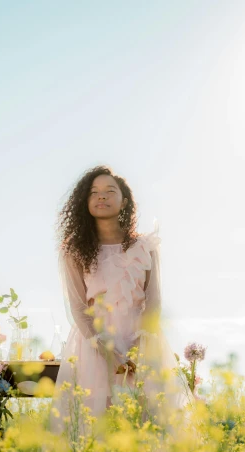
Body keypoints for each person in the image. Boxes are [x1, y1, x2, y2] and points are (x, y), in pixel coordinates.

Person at [50, 165, 185, 436]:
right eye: (94, 192)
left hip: (143, 339)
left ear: (124, 200)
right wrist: (106, 350)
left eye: (110, 191)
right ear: (84, 202)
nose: (102, 196)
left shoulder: (145, 246)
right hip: (94, 344)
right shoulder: (73, 250)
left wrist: (137, 348)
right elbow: (78, 305)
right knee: (95, 422)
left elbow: (154, 300)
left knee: (149, 418)